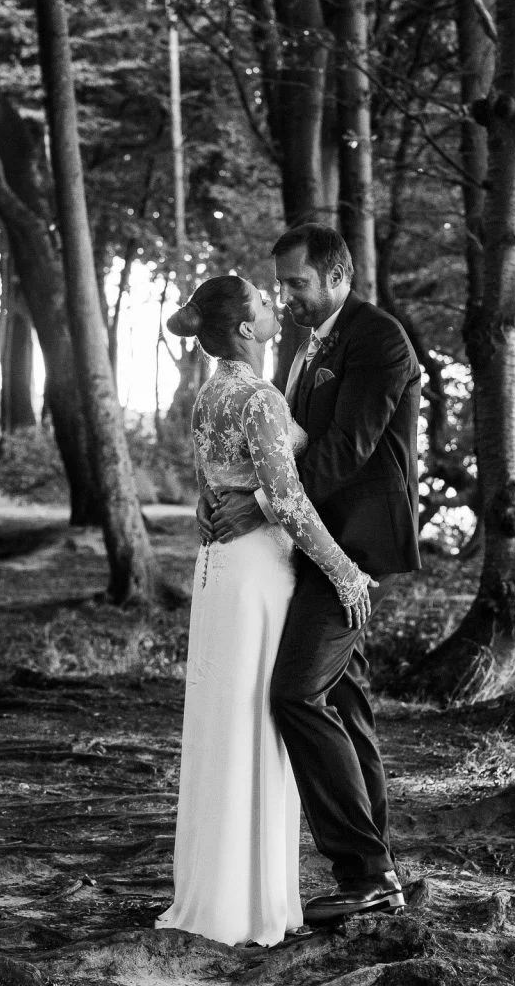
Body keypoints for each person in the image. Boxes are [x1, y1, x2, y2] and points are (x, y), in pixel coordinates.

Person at [205, 224, 421, 925]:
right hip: (313, 543)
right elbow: (286, 443)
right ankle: (381, 868)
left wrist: (267, 508)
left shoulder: (379, 338)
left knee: (296, 694)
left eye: (296, 284)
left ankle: (364, 874)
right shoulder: (302, 343)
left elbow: (348, 449)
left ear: (336, 276)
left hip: (352, 547)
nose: (286, 297)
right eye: (281, 286)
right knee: (345, 703)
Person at [155, 273, 376, 948]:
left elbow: (222, 484)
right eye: (259, 298)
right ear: (247, 328)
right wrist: (347, 573)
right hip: (256, 569)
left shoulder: (210, 394)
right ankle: (251, 903)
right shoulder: (258, 397)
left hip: (220, 569)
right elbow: (285, 500)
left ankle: (217, 892)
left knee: (228, 721)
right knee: (256, 721)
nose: (272, 305)